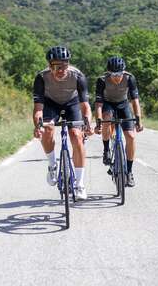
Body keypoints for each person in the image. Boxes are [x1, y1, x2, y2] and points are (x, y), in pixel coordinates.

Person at [33, 46, 94, 200]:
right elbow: (38, 109)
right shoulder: (41, 77)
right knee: (47, 130)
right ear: (49, 66)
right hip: (50, 103)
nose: (61, 70)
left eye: (64, 65)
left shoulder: (77, 76)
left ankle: (79, 184)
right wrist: (38, 126)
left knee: (76, 136)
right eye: (56, 67)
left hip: (72, 103)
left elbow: (85, 106)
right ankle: (52, 165)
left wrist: (88, 124)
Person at [94, 56, 143, 187]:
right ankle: (106, 150)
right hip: (107, 104)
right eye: (113, 74)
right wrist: (99, 121)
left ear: (123, 71)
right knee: (107, 118)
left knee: (131, 137)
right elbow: (98, 104)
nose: (117, 77)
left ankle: (129, 172)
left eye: (119, 73)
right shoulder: (102, 80)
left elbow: (135, 101)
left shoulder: (129, 78)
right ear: (109, 73)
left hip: (123, 104)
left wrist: (138, 118)